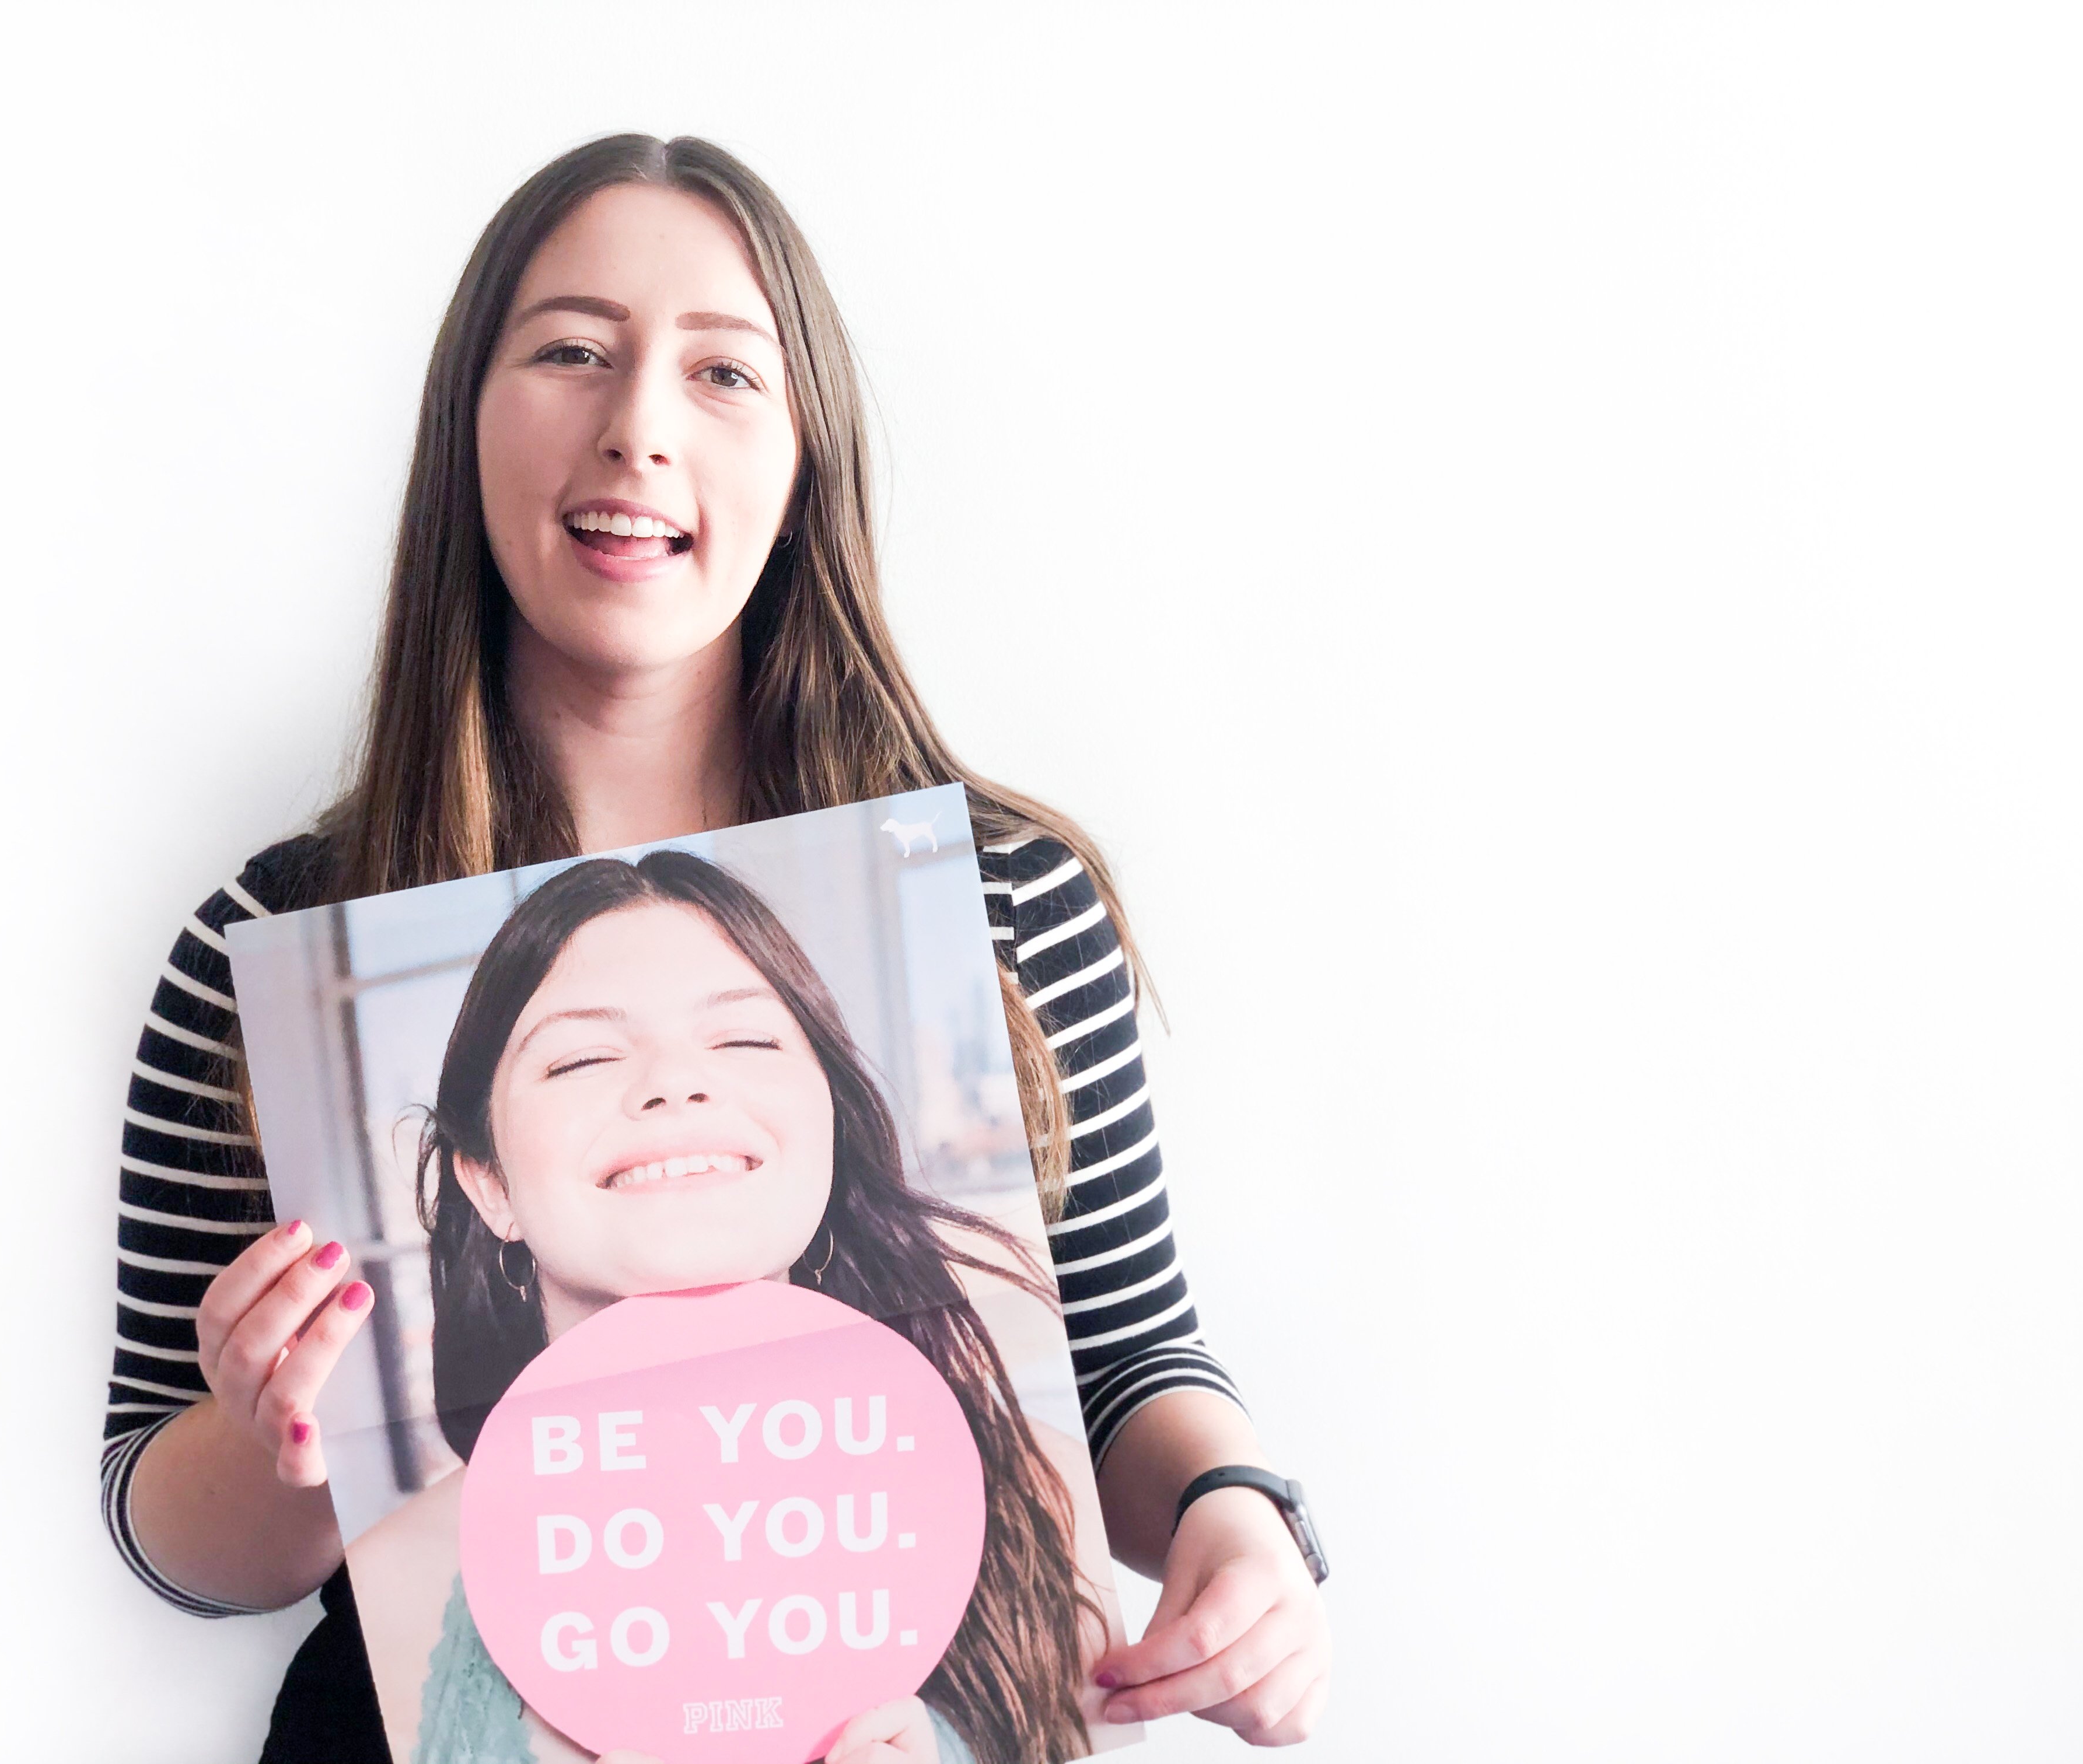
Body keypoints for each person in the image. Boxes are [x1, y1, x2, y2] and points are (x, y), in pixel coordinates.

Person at [105, 133, 1331, 1762]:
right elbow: (160, 1519)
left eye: (724, 372)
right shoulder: (265, 939)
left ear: (806, 453)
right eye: (571, 351)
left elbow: (1121, 1358)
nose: (640, 428)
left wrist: (1237, 1519)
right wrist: (285, 1438)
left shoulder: (1005, 904)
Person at [347, 848, 1109, 1764]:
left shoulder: (1047, 1504)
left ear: (828, 1127)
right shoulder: (387, 1592)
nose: (676, 1083)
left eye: (745, 1040)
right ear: (489, 1183)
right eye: (583, 1057)